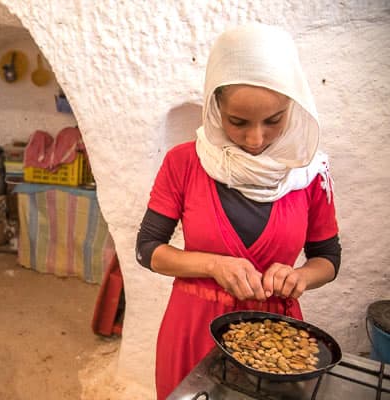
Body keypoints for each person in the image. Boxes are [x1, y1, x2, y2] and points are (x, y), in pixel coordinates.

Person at [135, 23, 341, 399]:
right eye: (238, 122)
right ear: (215, 110)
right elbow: (148, 249)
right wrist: (213, 265)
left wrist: (301, 278)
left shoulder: (310, 173)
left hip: (277, 339)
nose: (255, 139)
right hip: (193, 329)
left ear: (293, 109)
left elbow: (327, 258)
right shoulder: (184, 163)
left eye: (274, 121)